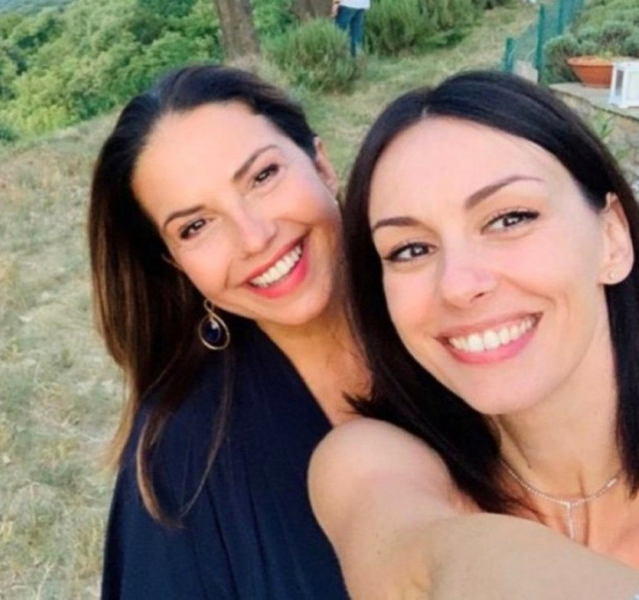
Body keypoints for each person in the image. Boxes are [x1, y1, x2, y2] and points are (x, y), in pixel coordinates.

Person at [310, 69, 639, 599]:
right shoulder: (371, 462)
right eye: (411, 250)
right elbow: (419, 553)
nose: (459, 286)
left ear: (612, 239)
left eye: (509, 219)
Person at [88, 64, 368, 599]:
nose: (254, 238)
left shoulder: (454, 315)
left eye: (263, 177)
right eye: (196, 226)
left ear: (322, 164)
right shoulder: (181, 461)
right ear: (175, 264)